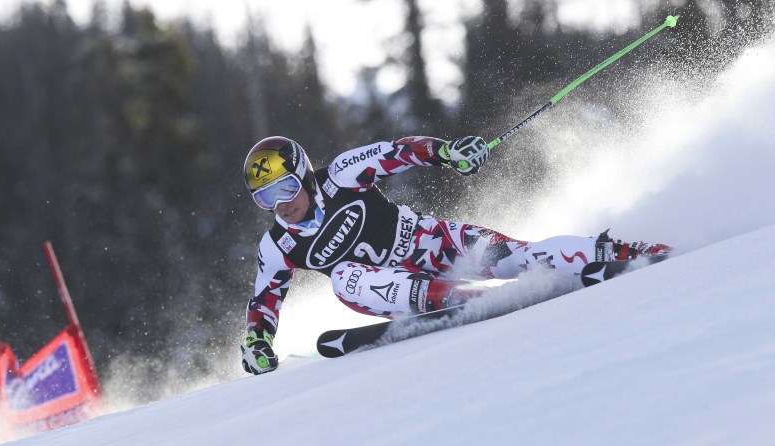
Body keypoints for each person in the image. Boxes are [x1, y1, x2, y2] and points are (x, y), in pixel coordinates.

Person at [240, 135, 670, 375]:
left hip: (429, 240)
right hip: (391, 288)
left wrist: (447, 154)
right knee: (343, 280)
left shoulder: (341, 174)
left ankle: (618, 252)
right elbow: (265, 301)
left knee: (515, 257)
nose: (281, 204)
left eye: (285, 188)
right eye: (266, 199)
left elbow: (398, 152)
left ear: (303, 176)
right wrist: (258, 341)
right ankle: (455, 297)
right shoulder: (277, 246)